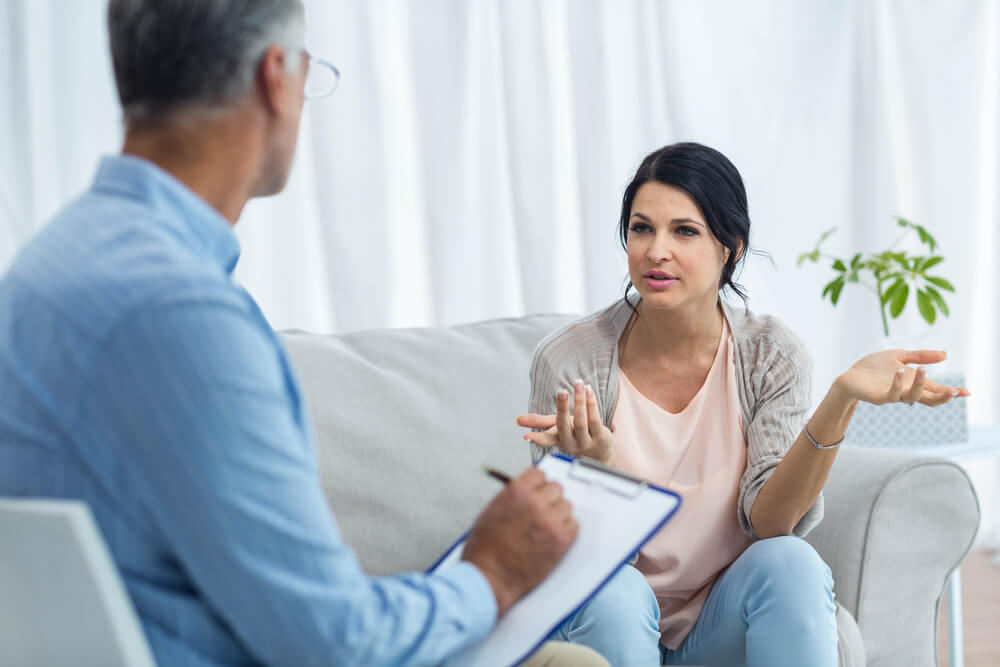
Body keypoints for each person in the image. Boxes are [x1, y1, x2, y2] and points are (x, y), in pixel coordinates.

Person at [0, 1, 610, 665]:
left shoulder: (44, 267)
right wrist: (492, 572)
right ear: (277, 77)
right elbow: (335, 642)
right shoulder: (185, 314)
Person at [516, 142, 969, 666]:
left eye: (684, 231)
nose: (656, 251)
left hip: (717, 631)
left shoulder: (770, 356)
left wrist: (840, 399)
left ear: (730, 245)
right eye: (642, 228)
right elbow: (576, 565)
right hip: (607, 628)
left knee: (791, 563)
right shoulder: (572, 361)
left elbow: (770, 524)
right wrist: (598, 472)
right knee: (617, 592)